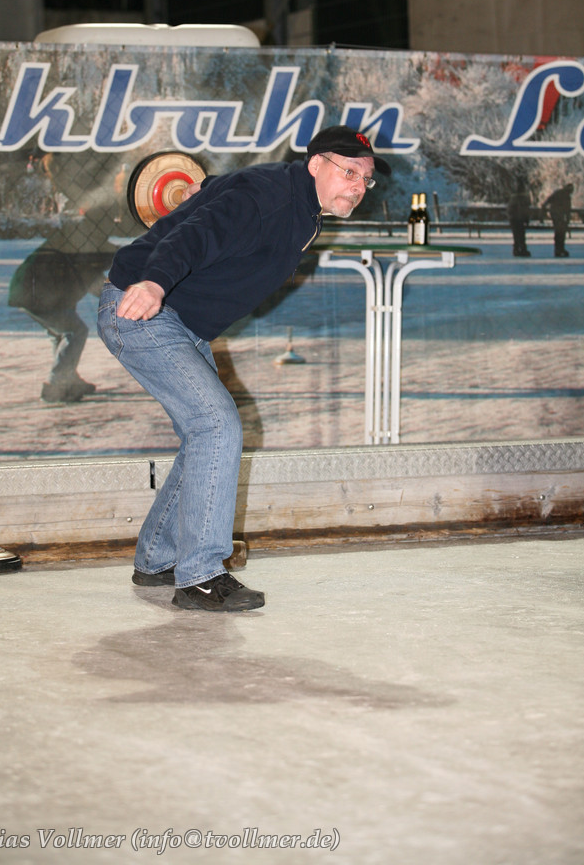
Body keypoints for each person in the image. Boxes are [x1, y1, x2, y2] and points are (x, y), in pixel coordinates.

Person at [97, 126, 391, 612]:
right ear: (315, 163)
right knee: (216, 425)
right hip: (144, 308)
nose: (359, 186)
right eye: (349, 172)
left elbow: (227, 195)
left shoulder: (293, 197)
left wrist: (207, 186)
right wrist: (154, 282)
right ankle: (201, 577)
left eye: (366, 178)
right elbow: (194, 236)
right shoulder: (270, 197)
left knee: (205, 434)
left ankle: (157, 558)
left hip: (181, 322)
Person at [9, 209, 116, 402]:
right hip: (38, 293)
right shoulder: (88, 246)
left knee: (61, 333)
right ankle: (56, 384)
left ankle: (69, 379)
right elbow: (98, 283)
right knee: (75, 331)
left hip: (29, 290)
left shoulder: (80, 238)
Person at [542, 183, 574, 257]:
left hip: (557, 214)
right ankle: (559, 249)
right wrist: (567, 220)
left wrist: (544, 206)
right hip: (557, 215)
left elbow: (549, 200)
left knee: (560, 232)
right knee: (560, 232)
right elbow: (567, 209)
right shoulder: (564, 195)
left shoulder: (560, 193)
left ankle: (560, 249)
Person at [507, 176, 531, 257]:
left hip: (516, 218)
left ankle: (518, 249)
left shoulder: (515, 198)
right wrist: (526, 218)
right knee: (520, 235)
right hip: (517, 218)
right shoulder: (521, 198)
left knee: (518, 235)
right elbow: (525, 209)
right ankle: (520, 249)